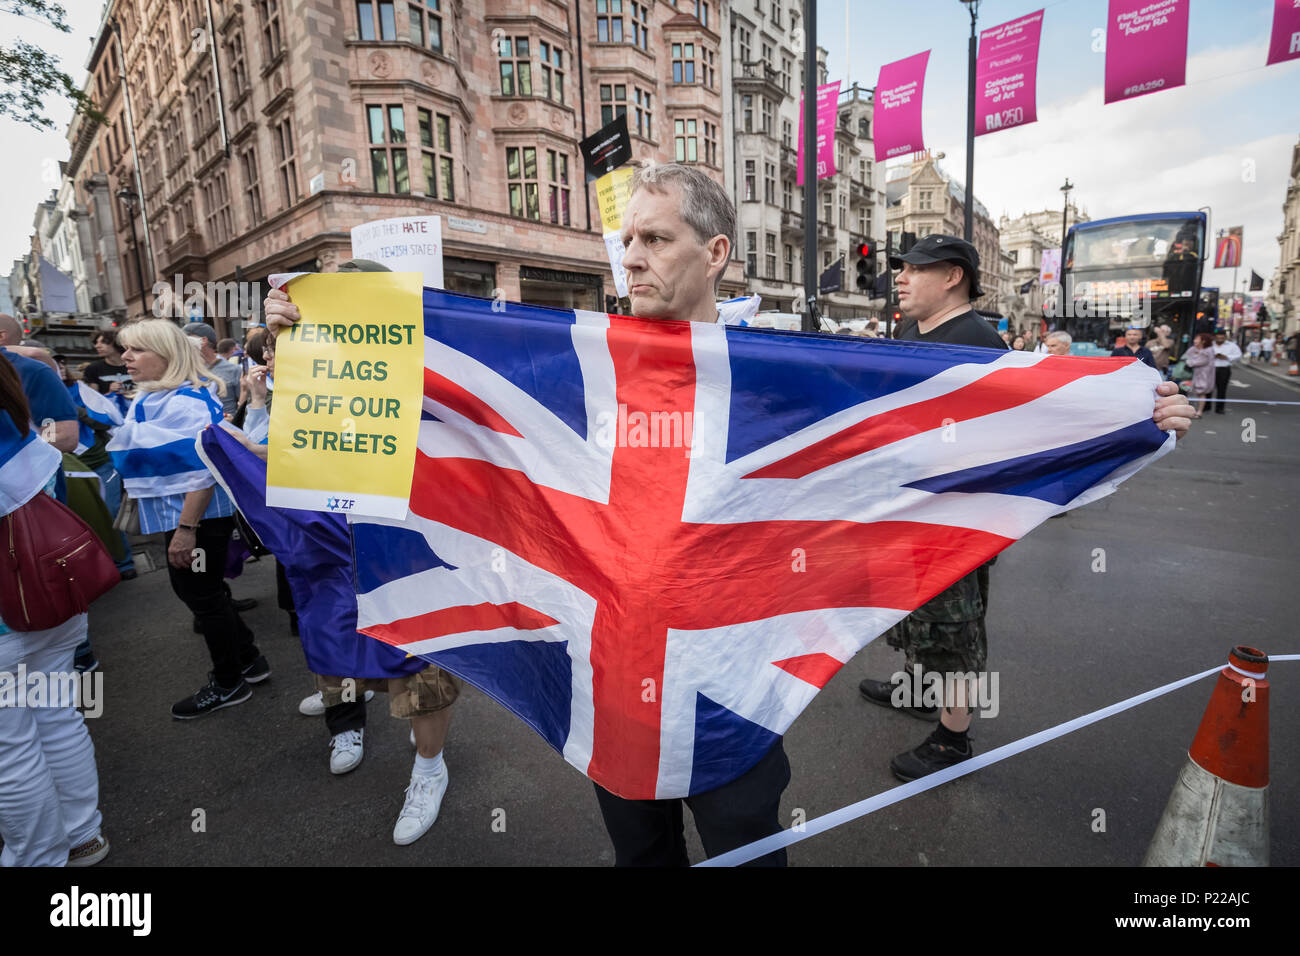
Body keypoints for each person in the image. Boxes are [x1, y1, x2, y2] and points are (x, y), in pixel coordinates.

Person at [269, 171, 1194, 866]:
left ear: (715, 253)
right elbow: (441, 407)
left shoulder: (777, 375)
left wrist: (1123, 413)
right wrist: (321, 339)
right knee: (639, 856)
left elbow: (924, 434)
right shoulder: (570, 366)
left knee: (747, 852)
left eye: (656, 238)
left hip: (727, 696)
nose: (632, 256)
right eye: (626, 239)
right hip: (606, 696)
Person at [859, 232, 1193, 784]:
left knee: (955, 627)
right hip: (911, 505)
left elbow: (1045, 416)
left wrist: (1145, 407)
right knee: (915, 614)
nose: (900, 277)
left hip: (960, 516)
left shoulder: (979, 341)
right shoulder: (910, 330)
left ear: (953, 277)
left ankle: (953, 737)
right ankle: (918, 690)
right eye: (902, 268)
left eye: (915, 268)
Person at [237, 286, 459, 846]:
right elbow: (280, 454)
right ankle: (347, 723)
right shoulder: (305, 383)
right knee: (333, 636)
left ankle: (430, 767)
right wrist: (284, 352)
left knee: (419, 662)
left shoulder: (420, 374)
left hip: (406, 541)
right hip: (329, 544)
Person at [107, 320, 269, 718]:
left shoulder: (187, 403)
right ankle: (249, 660)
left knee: (201, 596)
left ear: (167, 355)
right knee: (206, 593)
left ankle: (229, 682)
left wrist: (186, 530)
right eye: (125, 349)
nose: (125, 357)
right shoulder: (154, 398)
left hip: (197, 519)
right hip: (180, 516)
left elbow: (203, 471)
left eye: (137, 350)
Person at [0, 352, 109, 867]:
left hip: (10, 621)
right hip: (54, 598)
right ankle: (83, 835)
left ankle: (38, 858)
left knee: (11, 747)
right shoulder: (30, 440)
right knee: (57, 716)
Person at [182, 322, 243, 418]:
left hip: (227, 425)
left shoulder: (234, 369)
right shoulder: (185, 372)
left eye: (186, 338)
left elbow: (243, 404)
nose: (183, 344)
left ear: (203, 341)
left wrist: (233, 419)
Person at [81, 329, 135, 403]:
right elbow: (93, 400)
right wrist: (109, 393)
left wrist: (129, 394)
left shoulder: (135, 365)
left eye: (103, 342)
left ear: (117, 343)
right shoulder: (93, 368)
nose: (97, 346)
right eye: (96, 342)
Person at [1183, 332, 1216, 418]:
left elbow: (1200, 361)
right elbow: (1185, 356)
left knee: (1201, 393)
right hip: (1191, 374)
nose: (1195, 341)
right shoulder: (1193, 349)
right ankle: (1190, 410)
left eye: (1197, 339)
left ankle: (1199, 412)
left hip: (1203, 376)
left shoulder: (1208, 351)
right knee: (1189, 391)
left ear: (1203, 341)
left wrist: (1189, 362)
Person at [1210, 330, 1242, 415]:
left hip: (1224, 369)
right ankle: (1206, 406)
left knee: (1222, 389)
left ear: (1225, 337)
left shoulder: (1232, 345)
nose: (1220, 340)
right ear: (1215, 337)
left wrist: (1227, 357)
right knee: (1208, 388)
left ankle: (1220, 408)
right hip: (1210, 369)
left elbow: (1238, 355)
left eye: (1222, 338)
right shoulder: (1210, 344)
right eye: (1218, 338)